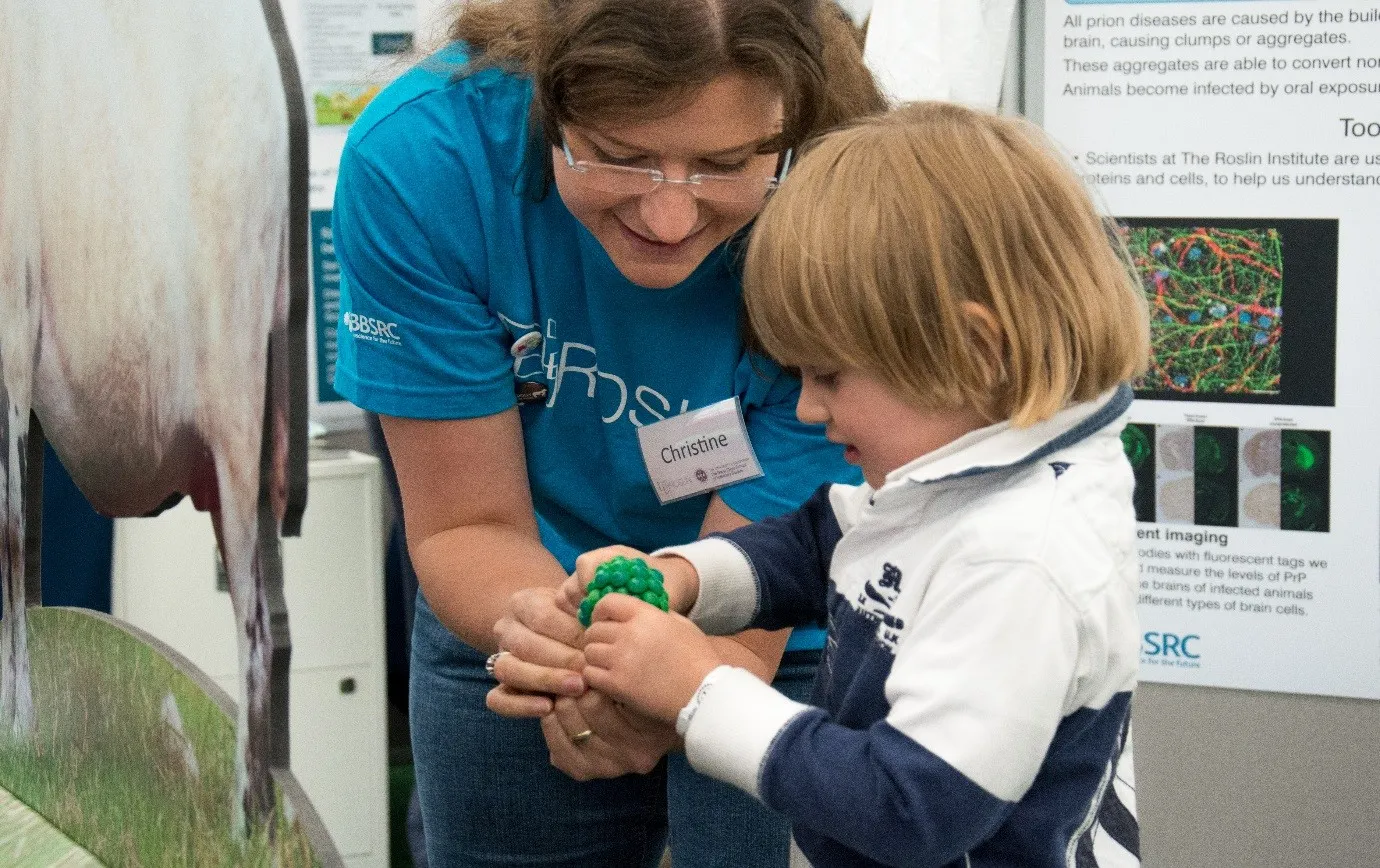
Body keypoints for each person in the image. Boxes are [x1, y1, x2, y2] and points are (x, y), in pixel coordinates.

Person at [329, 0, 886, 865]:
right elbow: (468, 524)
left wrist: (681, 689)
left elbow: (784, 552)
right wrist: (577, 664)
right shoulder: (426, 161)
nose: (668, 220)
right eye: (620, 158)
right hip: (521, 613)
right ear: (547, 103)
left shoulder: (849, 187)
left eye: (725, 165)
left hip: (789, 615)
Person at [561, 102, 1150, 868]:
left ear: (974, 351)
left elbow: (914, 808)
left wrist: (699, 690)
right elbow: (821, 542)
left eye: (828, 374)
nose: (808, 407)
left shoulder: (1023, 557)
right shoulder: (962, 474)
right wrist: (683, 578)